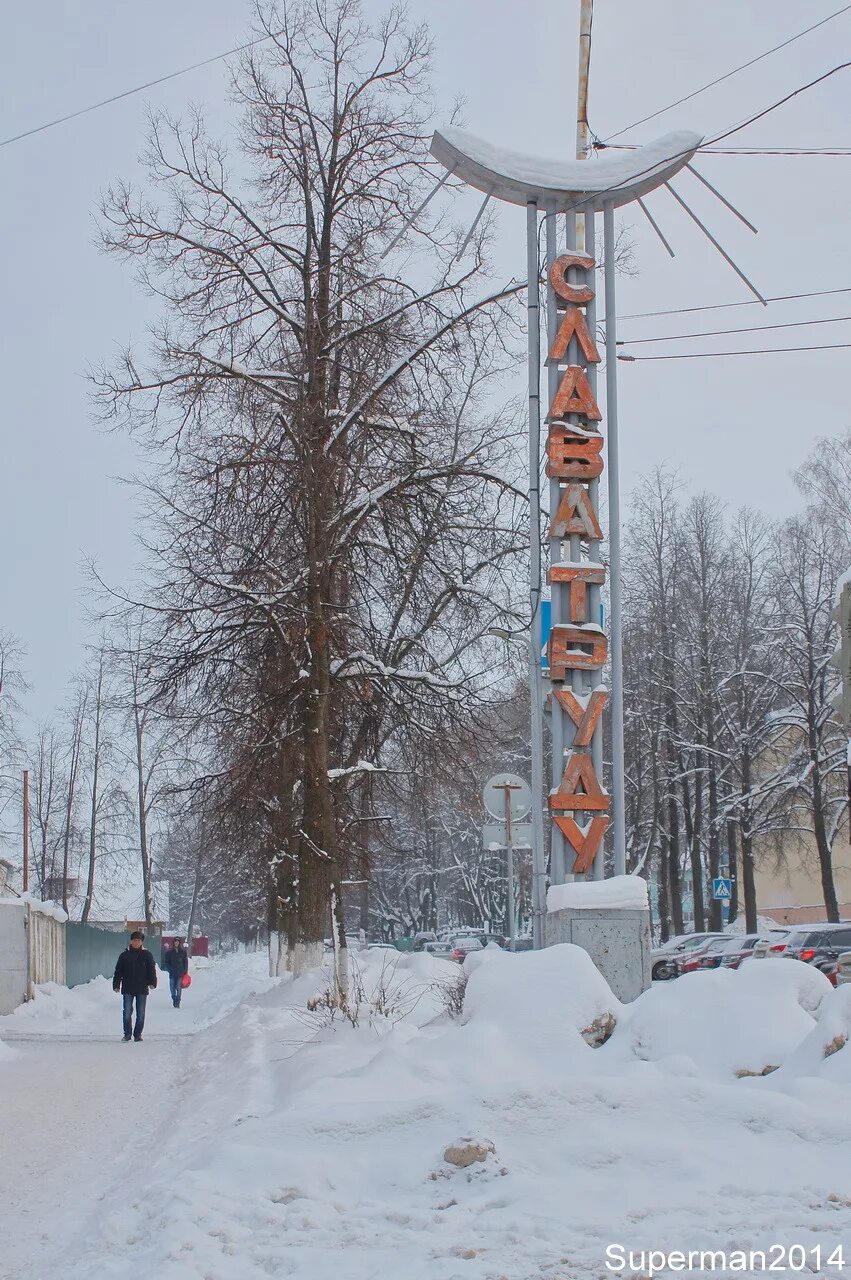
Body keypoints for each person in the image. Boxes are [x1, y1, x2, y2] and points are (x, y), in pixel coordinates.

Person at [113, 930, 157, 1042]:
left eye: (138, 941)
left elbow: (151, 970)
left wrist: (152, 982)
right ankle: (127, 1034)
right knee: (127, 1012)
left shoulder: (147, 955)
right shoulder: (124, 955)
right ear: (131, 941)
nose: (136, 942)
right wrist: (116, 984)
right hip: (127, 987)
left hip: (142, 988)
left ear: (142, 942)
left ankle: (137, 1034)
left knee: (141, 1013)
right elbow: (118, 971)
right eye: (134, 940)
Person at [164, 937, 189, 1008]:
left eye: (178, 941)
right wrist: (169, 969)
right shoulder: (169, 952)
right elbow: (166, 962)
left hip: (180, 973)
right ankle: (174, 998)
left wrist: (185, 971)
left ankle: (178, 1001)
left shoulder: (183, 952)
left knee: (178, 987)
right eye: (175, 941)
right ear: (173, 942)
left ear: (179, 943)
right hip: (172, 973)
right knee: (172, 988)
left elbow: (185, 962)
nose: (176, 943)